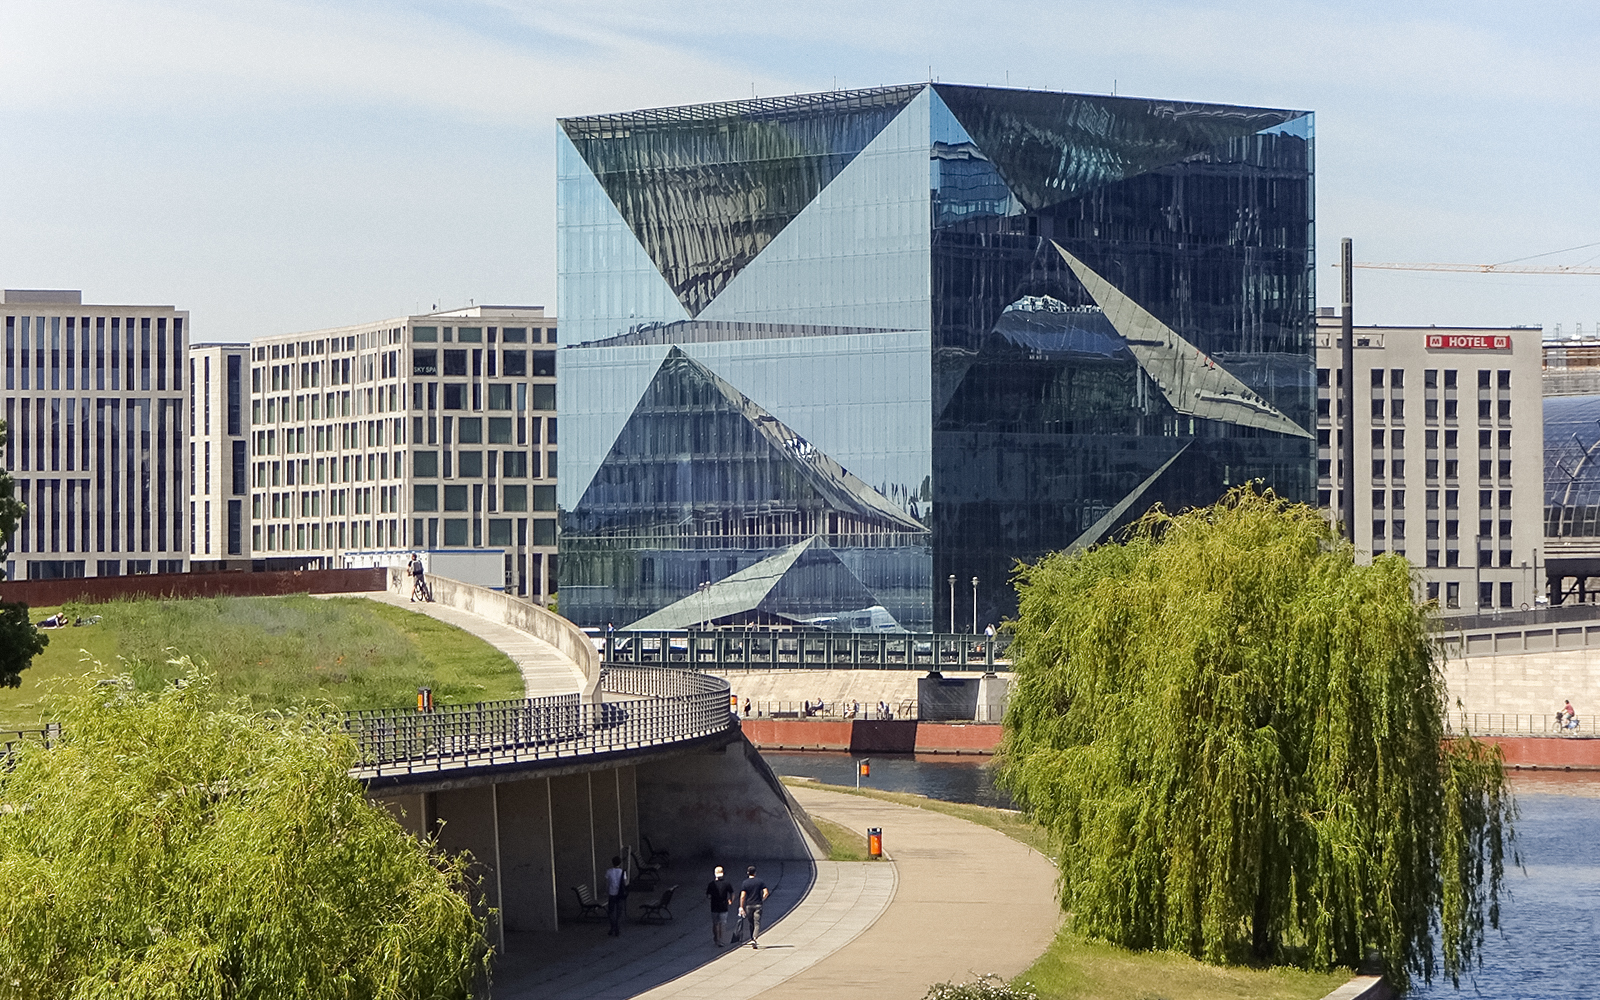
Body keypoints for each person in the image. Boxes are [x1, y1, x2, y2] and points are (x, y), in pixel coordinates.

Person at [738, 865, 769, 949]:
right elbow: (766, 892)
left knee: (751, 923)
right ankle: (754, 938)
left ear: (748, 873)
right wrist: (762, 899)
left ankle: (752, 938)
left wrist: (741, 906)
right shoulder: (760, 882)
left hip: (749, 905)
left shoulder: (745, 883)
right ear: (755, 873)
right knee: (757, 922)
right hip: (758, 904)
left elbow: (742, 896)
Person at [706, 866, 734, 946]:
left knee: (715, 924)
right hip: (724, 907)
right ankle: (721, 939)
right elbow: (732, 892)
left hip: (714, 906)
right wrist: (731, 900)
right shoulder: (727, 883)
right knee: (722, 924)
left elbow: (708, 896)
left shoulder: (711, 884)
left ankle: (716, 938)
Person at [604, 856, 628, 936]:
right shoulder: (622, 872)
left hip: (612, 893)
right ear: (620, 863)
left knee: (611, 911)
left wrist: (606, 891)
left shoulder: (609, 871)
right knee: (619, 911)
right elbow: (625, 883)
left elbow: (607, 884)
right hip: (620, 893)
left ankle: (613, 926)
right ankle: (617, 927)